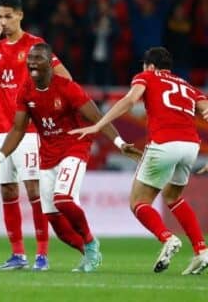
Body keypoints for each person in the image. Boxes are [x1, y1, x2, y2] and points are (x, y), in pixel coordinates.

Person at [0, 43, 142, 272]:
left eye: (38, 58)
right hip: (48, 155)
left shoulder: (68, 88)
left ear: (50, 63)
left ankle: (91, 242)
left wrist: (120, 143)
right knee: (55, 220)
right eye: (30, 58)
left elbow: (97, 118)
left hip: (74, 147)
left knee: (63, 199)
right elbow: (18, 129)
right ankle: (88, 253)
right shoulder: (26, 91)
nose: (32, 62)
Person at [69, 47, 208, 275]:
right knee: (173, 197)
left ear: (150, 66)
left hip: (164, 143)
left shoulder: (147, 76)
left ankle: (167, 238)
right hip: (191, 146)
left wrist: (99, 124)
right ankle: (201, 250)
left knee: (138, 202)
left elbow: (130, 99)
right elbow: (206, 110)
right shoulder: (188, 87)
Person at [0, 0, 72, 271]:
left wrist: (44, 99)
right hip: (0, 129)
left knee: (33, 189)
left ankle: (42, 254)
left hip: (29, 130)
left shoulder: (35, 46)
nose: (2, 21)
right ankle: (18, 254)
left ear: (20, 15)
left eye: (8, 16)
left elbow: (66, 78)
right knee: (7, 190)